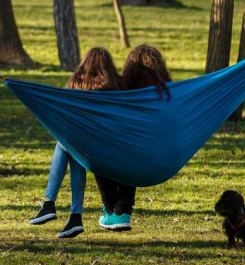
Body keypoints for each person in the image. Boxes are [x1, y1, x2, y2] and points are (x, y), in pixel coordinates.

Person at [29, 47, 124, 239]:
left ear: (85, 64)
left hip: (93, 148)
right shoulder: (118, 86)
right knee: (71, 148)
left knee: (64, 142)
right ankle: (74, 218)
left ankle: (50, 203)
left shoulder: (76, 84)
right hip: (105, 146)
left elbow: (62, 113)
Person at [96, 43, 172, 232]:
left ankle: (114, 209)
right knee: (130, 152)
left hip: (130, 154)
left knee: (101, 154)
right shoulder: (170, 92)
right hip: (159, 155)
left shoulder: (125, 93)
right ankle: (119, 212)